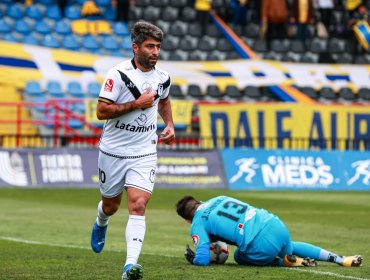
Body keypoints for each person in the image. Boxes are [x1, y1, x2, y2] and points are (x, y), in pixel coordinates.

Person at [90, 21, 175, 280]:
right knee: (111, 205)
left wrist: (169, 123)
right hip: (113, 151)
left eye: (158, 47)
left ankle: (130, 266)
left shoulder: (163, 77)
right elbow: (101, 111)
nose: (155, 52)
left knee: (138, 205)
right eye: (150, 46)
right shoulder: (117, 74)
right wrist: (136, 104)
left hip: (144, 151)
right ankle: (101, 222)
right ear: (135, 47)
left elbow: (164, 99)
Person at [176, 195, 363, 267]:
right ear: (199, 201)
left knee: (239, 256)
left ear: (186, 219)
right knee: (291, 245)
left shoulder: (197, 223)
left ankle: (286, 263)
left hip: (260, 244)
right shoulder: (219, 197)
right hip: (275, 224)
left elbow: (202, 259)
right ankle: (340, 259)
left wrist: (195, 259)